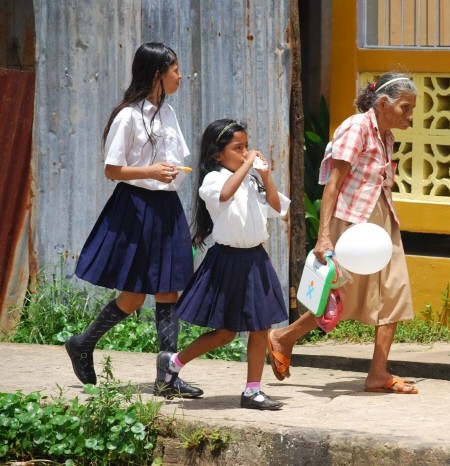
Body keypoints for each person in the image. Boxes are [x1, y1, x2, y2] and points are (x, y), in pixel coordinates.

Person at [66, 42, 202, 399]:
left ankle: (168, 375)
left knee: (169, 289)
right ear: (158, 73)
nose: (180, 76)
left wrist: (171, 173)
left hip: (166, 206)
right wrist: (152, 171)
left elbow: (175, 158)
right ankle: (83, 343)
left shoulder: (168, 113)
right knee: (134, 296)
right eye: (175, 70)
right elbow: (112, 169)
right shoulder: (127, 115)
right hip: (136, 206)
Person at [268, 72, 419, 394]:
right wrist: (324, 236)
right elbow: (333, 184)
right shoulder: (355, 128)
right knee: (337, 299)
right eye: (405, 108)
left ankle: (378, 373)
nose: (410, 116)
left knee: (395, 293)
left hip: (381, 224)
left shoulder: (386, 135)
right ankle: (283, 337)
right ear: (382, 103)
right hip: (351, 225)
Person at [155, 119, 290, 410]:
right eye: (237, 148)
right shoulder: (213, 181)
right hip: (228, 262)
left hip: (255, 260)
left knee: (260, 327)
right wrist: (247, 165)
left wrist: (265, 176)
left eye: (246, 146)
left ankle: (253, 390)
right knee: (226, 333)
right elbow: (226, 194)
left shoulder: (251, 180)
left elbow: (278, 207)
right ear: (218, 154)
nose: (245, 153)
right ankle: (173, 363)